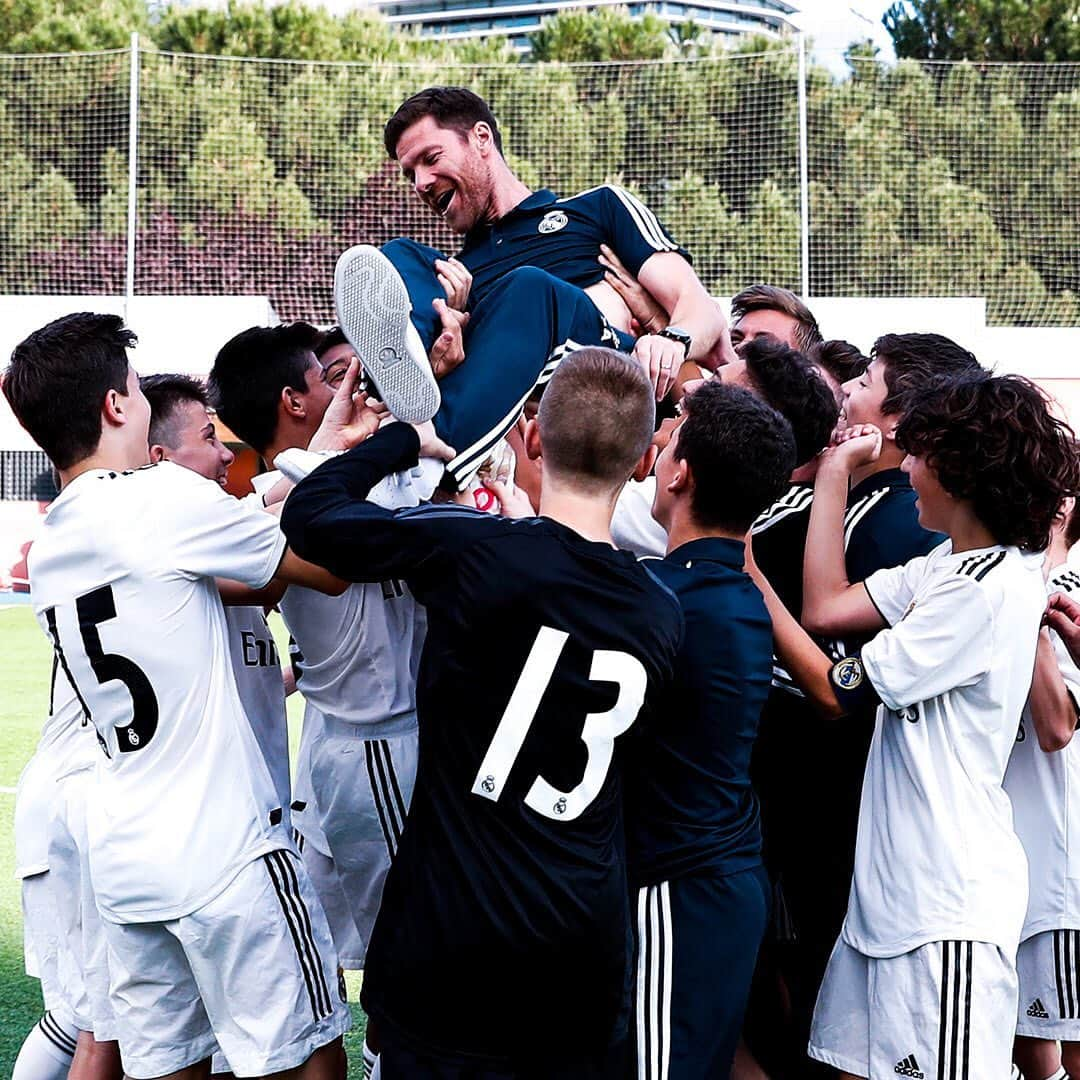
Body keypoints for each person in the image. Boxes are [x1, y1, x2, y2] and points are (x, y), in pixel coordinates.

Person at [281, 347, 683, 1078]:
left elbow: (312, 518)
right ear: (639, 463)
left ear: (532, 439)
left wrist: (399, 439)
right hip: (580, 945)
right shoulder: (660, 610)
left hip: (452, 933)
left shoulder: (473, 548)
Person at [3, 312, 350, 1079]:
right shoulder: (161, 497)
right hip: (225, 844)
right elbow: (329, 568)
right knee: (310, 1059)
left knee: (164, 1066)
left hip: (127, 860)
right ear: (117, 408)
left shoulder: (56, 540)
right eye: (133, 383)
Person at [747, 371, 1079, 1079]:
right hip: (894, 907)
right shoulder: (948, 566)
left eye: (921, 455)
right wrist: (835, 471)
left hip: (945, 913)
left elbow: (838, 693)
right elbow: (826, 609)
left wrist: (742, 566)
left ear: (962, 471)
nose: (908, 467)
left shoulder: (981, 592)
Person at [208, 323, 426, 1076]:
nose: (346, 389)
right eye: (328, 376)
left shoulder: (286, 493)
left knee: (322, 959)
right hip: (376, 752)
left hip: (332, 749)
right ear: (294, 399)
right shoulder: (291, 502)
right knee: (400, 957)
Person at [622, 380, 796, 1078]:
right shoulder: (725, 590)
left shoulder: (670, 601)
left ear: (680, 473)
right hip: (711, 880)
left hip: (679, 888)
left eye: (666, 442)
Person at [141, 373, 292, 817]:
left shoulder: (210, 532)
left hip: (256, 799)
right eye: (210, 439)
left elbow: (272, 502)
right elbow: (273, 576)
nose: (227, 454)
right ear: (161, 459)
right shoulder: (172, 544)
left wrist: (303, 676)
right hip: (227, 817)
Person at [1006, 496, 1080, 1080]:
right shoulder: (996, 571)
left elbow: (1057, 725)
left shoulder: (1063, 587)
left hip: (1052, 859)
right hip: (1004, 852)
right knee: (1022, 1045)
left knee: (1056, 1047)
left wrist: (1031, 622)